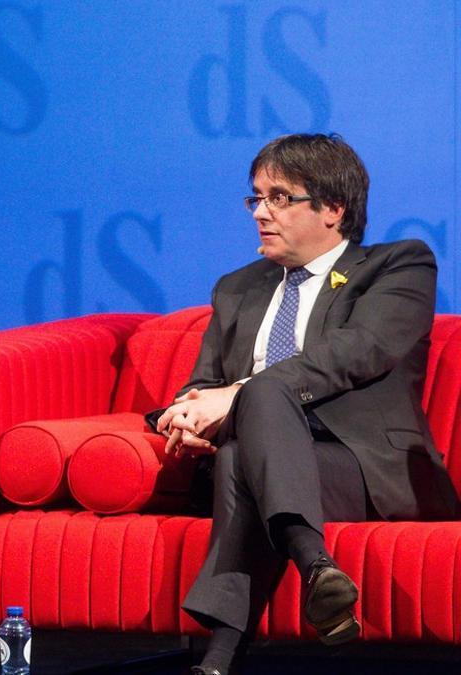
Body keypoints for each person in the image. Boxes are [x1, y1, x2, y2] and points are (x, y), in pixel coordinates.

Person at [150, 133, 460, 675]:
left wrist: (240, 393)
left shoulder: (397, 266)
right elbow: (201, 382)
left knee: (263, 395)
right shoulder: (237, 287)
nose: (260, 213)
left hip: (364, 468)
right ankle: (314, 572)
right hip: (267, 462)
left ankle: (222, 657)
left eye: (279, 198)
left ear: (333, 209)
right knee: (235, 454)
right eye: (256, 198)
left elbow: (357, 353)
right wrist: (183, 412)